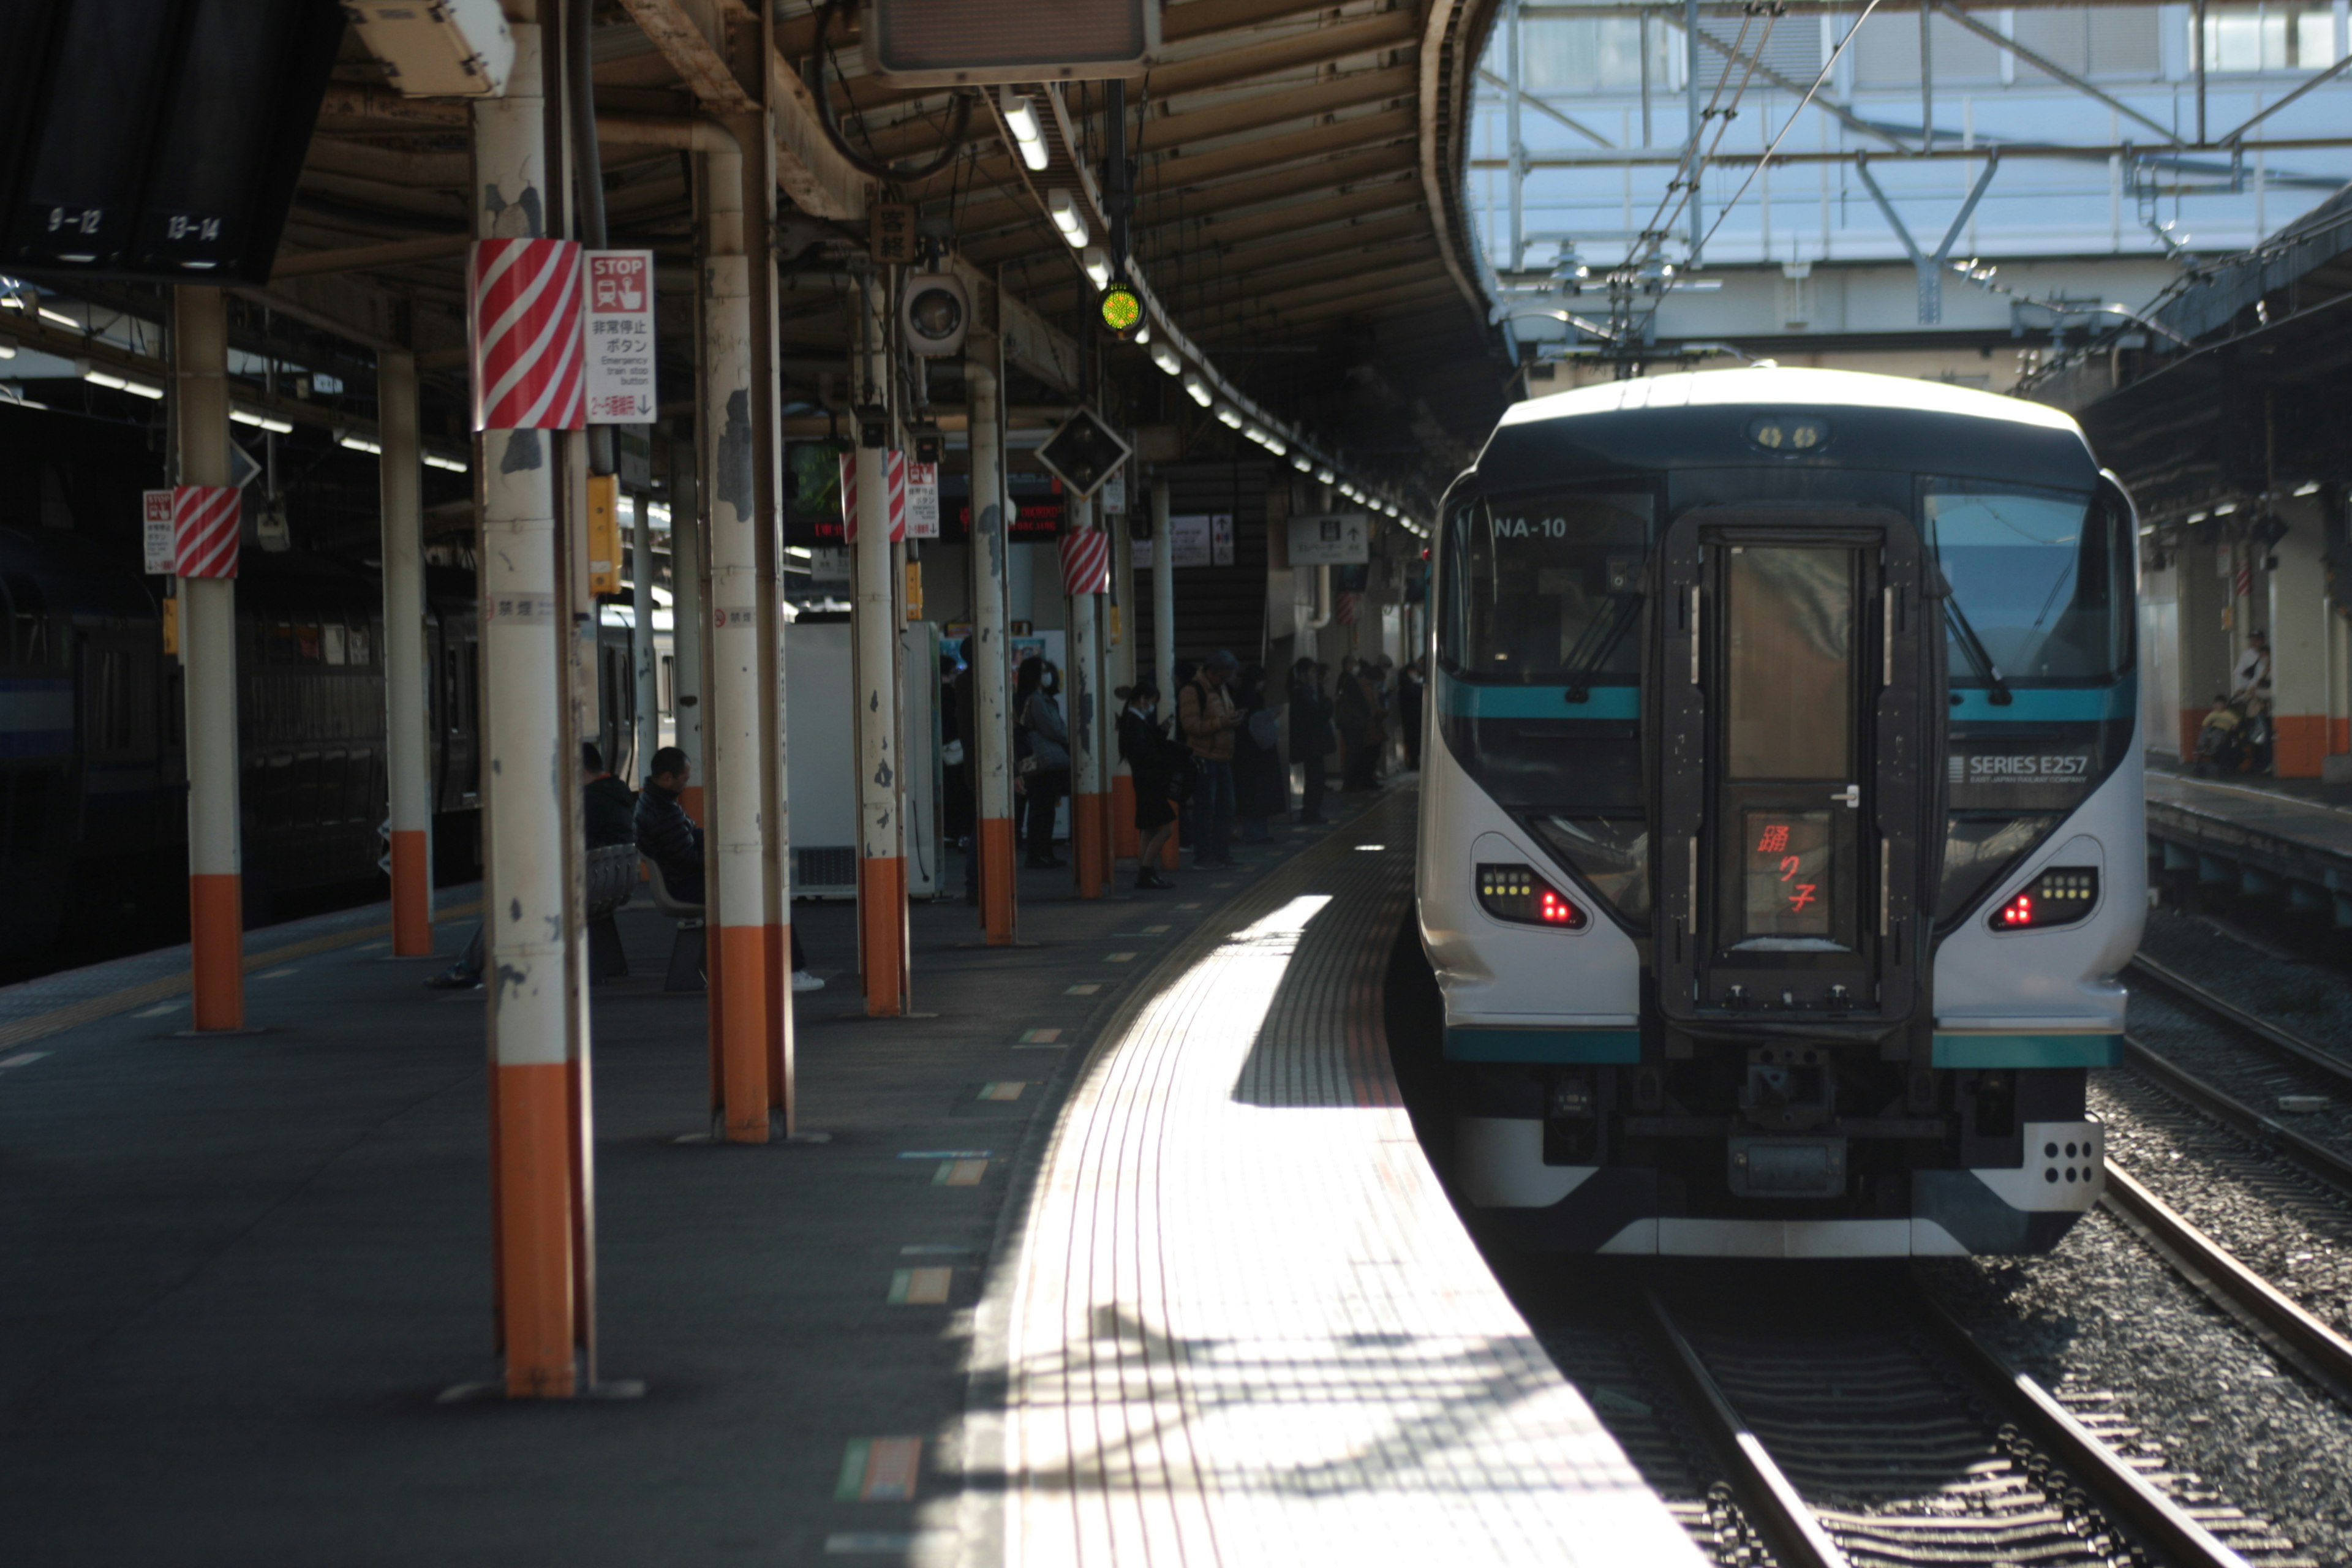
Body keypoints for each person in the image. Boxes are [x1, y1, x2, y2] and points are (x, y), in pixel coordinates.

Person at [638, 746, 821, 992]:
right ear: (667, 778)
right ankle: (790, 971)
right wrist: (727, 859)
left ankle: (776, 968)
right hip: (685, 886)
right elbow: (688, 858)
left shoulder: (656, 803)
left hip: (680, 882)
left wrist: (719, 840)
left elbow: (689, 840)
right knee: (769, 894)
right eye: (685, 779)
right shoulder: (662, 813)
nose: (686, 784)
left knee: (761, 889)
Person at [1178, 648, 1242, 867]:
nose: (1227, 680)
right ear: (1214, 671)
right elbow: (1190, 726)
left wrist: (1231, 719)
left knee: (1227, 807)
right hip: (1204, 757)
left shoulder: (1220, 689)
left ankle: (1221, 853)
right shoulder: (1193, 691)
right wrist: (1222, 723)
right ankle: (1203, 856)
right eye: (1225, 675)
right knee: (1206, 808)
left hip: (1223, 757)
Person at [1116, 676, 1178, 891]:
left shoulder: (1133, 721)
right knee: (1166, 828)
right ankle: (1146, 870)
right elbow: (1144, 753)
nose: (1151, 707)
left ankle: (1146, 873)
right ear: (1143, 699)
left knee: (1149, 828)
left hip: (1143, 781)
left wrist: (1160, 732)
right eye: (1151, 702)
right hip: (1149, 781)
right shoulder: (1135, 723)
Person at [1016, 656, 1071, 869]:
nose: (1048, 674)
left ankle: (1042, 853)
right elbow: (1051, 728)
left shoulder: (1034, 698)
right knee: (1043, 810)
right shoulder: (1037, 700)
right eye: (1044, 670)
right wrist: (1067, 737)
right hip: (1043, 764)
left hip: (1041, 764)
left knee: (1042, 809)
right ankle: (1039, 853)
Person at [1232, 662, 1287, 842]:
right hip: (1259, 752)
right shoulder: (1255, 699)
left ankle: (1252, 832)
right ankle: (1258, 833)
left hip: (1245, 753)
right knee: (1260, 793)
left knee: (1250, 794)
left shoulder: (1239, 697)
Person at [1288, 657, 1335, 825]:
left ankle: (1312, 811)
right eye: (1312, 672)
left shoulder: (1309, 691)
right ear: (1303, 674)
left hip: (1311, 742)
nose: (1315, 675)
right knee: (1315, 778)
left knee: (1316, 778)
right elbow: (1315, 715)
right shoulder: (1302, 693)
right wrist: (1328, 705)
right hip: (1310, 742)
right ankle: (1310, 812)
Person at [1398, 657, 1425, 772]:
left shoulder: (1408, 683)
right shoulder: (1406, 684)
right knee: (1413, 741)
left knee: (1415, 741)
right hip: (1412, 718)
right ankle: (1413, 762)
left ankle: (1414, 762)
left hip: (1413, 717)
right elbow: (1415, 695)